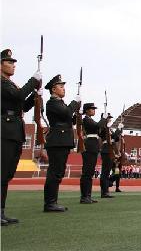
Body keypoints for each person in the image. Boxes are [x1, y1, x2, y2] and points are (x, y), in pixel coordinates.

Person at [1, 49, 41, 225]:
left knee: (6, 174)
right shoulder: (2, 83)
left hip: (14, 131)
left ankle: (1, 211)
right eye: (9, 62)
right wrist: (33, 81)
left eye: (13, 62)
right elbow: (17, 96)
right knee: (1, 173)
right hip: (4, 130)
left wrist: (35, 96)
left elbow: (22, 106)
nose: (13, 65)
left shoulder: (11, 84)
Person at [44, 74, 81, 212]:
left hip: (62, 141)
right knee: (55, 173)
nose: (63, 89)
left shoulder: (60, 103)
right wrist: (74, 103)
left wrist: (78, 112)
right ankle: (50, 203)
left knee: (58, 172)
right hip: (57, 141)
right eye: (61, 86)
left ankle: (52, 202)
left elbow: (68, 119)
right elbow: (66, 113)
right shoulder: (52, 103)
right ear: (53, 89)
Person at [80, 102, 100, 204]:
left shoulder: (90, 119)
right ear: (87, 110)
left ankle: (88, 195)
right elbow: (96, 126)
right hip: (89, 147)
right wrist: (103, 119)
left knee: (90, 172)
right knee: (87, 173)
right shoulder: (86, 120)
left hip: (93, 147)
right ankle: (84, 196)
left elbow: (100, 130)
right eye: (92, 109)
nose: (94, 110)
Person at [98, 113, 123, 198]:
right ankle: (104, 191)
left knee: (110, 172)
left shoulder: (110, 129)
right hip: (106, 149)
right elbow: (102, 133)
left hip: (111, 150)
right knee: (105, 172)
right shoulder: (103, 127)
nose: (110, 119)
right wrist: (105, 124)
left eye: (110, 118)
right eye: (108, 118)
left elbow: (115, 138)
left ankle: (107, 189)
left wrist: (119, 128)